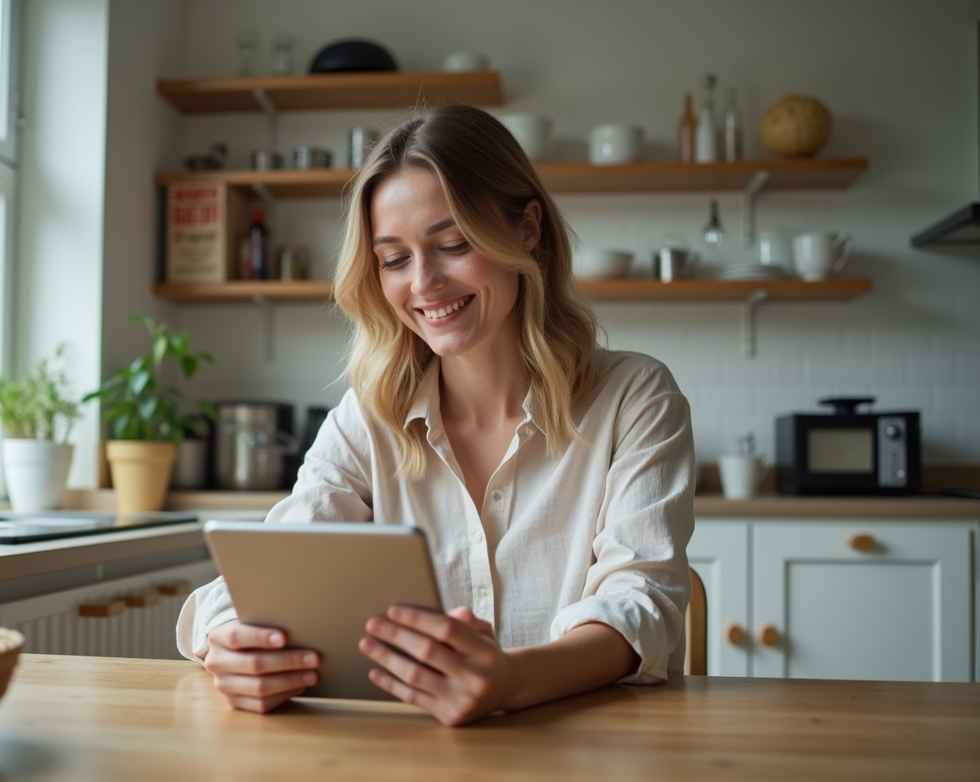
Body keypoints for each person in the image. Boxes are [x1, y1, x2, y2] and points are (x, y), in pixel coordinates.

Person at [177, 104, 695, 727]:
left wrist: (506, 680)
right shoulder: (367, 419)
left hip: (586, 760)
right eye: (394, 259)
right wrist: (233, 643)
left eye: (453, 244)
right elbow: (262, 578)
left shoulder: (634, 397)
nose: (424, 282)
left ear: (528, 227)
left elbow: (640, 602)